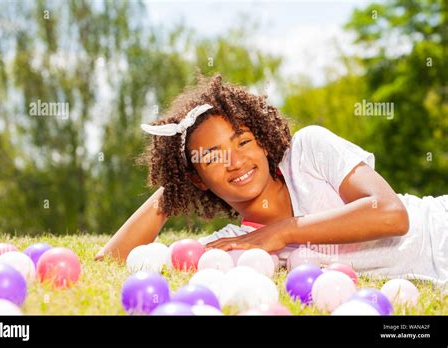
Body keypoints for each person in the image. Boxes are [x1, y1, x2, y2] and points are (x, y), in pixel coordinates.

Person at [95, 74, 447, 286]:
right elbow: (111, 263)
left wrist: (285, 231)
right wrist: (171, 191)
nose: (235, 162)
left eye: (244, 142)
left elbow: (391, 215)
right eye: (213, 157)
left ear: (263, 143)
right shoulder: (239, 243)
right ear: (198, 179)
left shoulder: (309, 150)